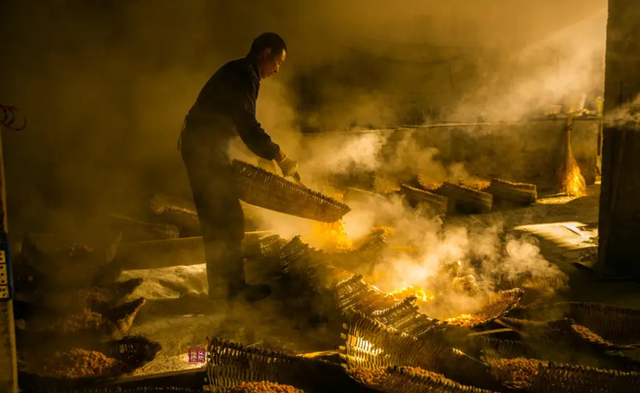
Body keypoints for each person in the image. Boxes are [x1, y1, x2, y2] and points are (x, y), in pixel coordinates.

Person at [179, 33, 299, 302]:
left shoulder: (238, 71)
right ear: (266, 53)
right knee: (226, 219)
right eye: (278, 62)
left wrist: (259, 156)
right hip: (205, 151)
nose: (277, 70)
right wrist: (279, 156)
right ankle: (231, 291)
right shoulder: (244, 75)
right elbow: (246, 124)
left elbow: (233, 121)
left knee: (220, 219)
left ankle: (225, 289)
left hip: (203, 148)